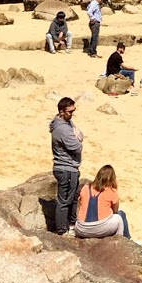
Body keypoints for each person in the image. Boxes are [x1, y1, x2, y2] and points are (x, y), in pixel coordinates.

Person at [50, 97, 83, 234]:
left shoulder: (66, 123)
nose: (72, 114)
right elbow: (77, 146)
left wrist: (78, 136)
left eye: (73, 111)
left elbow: (79, 134)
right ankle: (62, 230)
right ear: (62, 112)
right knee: (64, 201)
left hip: (69, 168)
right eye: (70, 112)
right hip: (66, 168)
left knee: (73, 198)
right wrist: (78, 138)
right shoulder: (62, 129)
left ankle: (71, 224)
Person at [74, 164, 131, 239]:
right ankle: (123, 240)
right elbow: (115, 210)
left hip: (80, 229)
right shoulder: (111, 191)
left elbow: (79, 205)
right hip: (99, 229)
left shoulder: (85, 187)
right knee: (120, 216)